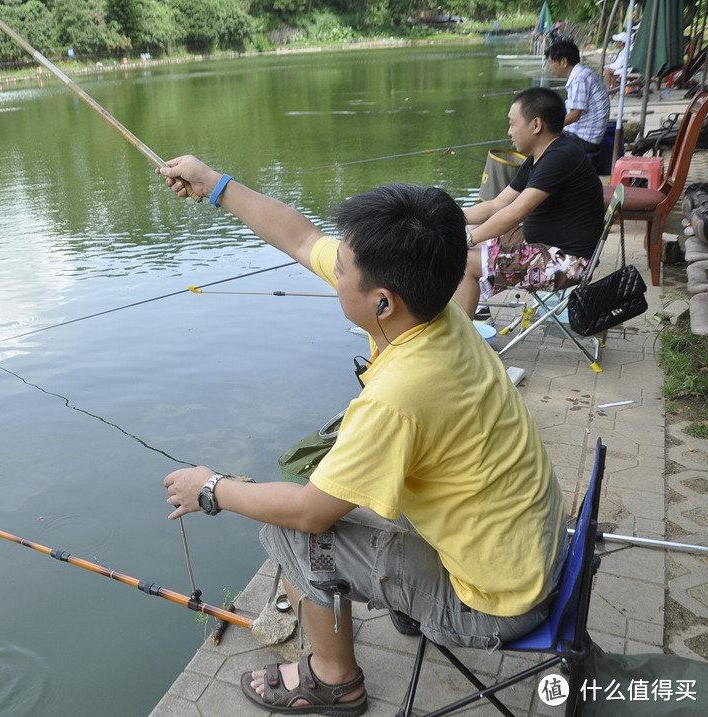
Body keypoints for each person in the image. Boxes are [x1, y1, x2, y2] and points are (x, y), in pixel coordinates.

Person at [158, 157, 566, 715]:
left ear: (381, 301)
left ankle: (333, 681)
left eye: (343, 266)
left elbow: (310, 513)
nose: (332, 268)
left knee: (288, 531)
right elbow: (302, 238)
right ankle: (399, 602)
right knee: (333, 496)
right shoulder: (440, 313)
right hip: (528, 552)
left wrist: (211, 489)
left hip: (497, 602)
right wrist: (216, 186)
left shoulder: (400, 393)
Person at [456, 86, 604, 317]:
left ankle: (459, 346)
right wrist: (448, 217)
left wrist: (467, 240)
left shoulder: (560, 156)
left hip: (568, 262)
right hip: (541, 246)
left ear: (536, 125)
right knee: (468, 231)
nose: (509, 131)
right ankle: (479, 308)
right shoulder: (539, 157)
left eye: (513, 123)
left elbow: (516, 212)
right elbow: (497, 204)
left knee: (464, 261)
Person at [544, 39, 611, 153]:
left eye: (551, 62)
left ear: (563, 62)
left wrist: (550, 126)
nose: (550, 67)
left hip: (585, 139)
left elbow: (574, 115)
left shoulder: (580, 78)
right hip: (581, 135)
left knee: (540, 140)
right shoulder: (581, 74)